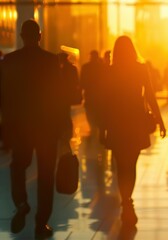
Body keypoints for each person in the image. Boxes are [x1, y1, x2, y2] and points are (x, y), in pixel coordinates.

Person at [0, 19, 65, 238]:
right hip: (46, 126)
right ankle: (41, 223)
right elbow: (59, 96)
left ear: (21, 36)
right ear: (39, 36)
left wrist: (6, 126)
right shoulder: (50, 61)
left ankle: (21, 202)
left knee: (18, 165)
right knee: (46, 174)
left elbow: (4, 97)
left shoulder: (9, 61)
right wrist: (64, 125)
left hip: (20, 126)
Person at [100, 36, 166, 226]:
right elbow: (151, 95)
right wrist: (160, 120)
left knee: (121, 165)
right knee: (131, 164)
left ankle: (126, 201)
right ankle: (128, 201)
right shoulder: (140, 69)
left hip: (116, 122)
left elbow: (105, 101)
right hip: (135, 121)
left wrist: (102, 128)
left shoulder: (110, 71)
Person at [80, 50, 104, 136]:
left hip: (89, 96)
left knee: (90, 114)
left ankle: (93, 130)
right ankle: (97, 131)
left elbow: (82, 82)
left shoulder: (86, 67)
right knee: (98, 115)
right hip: (98, 97)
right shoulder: (101, 67)